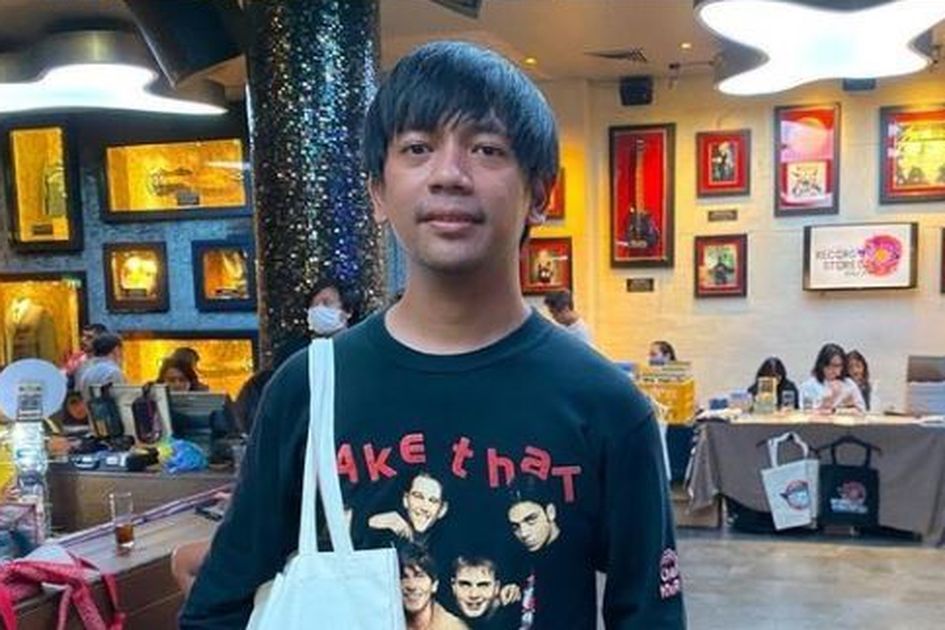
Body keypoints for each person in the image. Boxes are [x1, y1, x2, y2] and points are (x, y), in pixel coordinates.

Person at [181, 41, 683, 628]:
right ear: (377, 192)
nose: (449, 174)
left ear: (540, 194)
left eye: (487, 149)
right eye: (417, 148)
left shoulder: (606, 405)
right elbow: (219, 605)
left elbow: (649, 615)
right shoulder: (309, 389)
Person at [399, 545, 468, 630]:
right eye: (404, 577)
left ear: (434, 585)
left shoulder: (454, 627)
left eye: (420, 576)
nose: (411, 586)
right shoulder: (387, 621)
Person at [798, 343, 866, 412]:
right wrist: (829, 400)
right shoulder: (808, 386)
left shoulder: (849, 384)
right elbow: (805, 411)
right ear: (821, 365)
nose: (832, 370)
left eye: (837, 366)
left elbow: (861, 410)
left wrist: (843, 408)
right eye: (828, 365)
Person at [75, 333, 126, 400]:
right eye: (121, 350)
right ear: (116, 350)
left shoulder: (84, 370)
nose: (122, 355)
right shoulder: (114, 372)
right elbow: (121, 400)